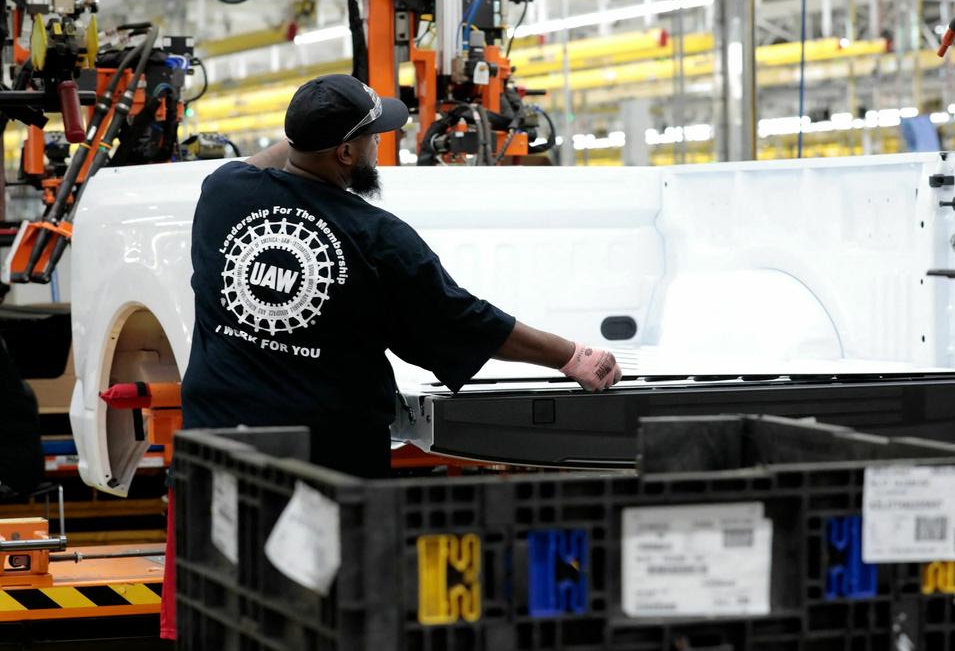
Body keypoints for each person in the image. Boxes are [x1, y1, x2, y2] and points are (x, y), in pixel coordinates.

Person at [161, 75, 621, 639]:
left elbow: (274, 158)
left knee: (229, 611)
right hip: (322, 475)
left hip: (219, 461)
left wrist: (309, 134)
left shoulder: (225, 191)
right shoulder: (376, 238)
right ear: (347, 152)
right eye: (373, 136)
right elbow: (467, 322)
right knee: (317, 620)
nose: (381, 146)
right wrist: (571, 355)